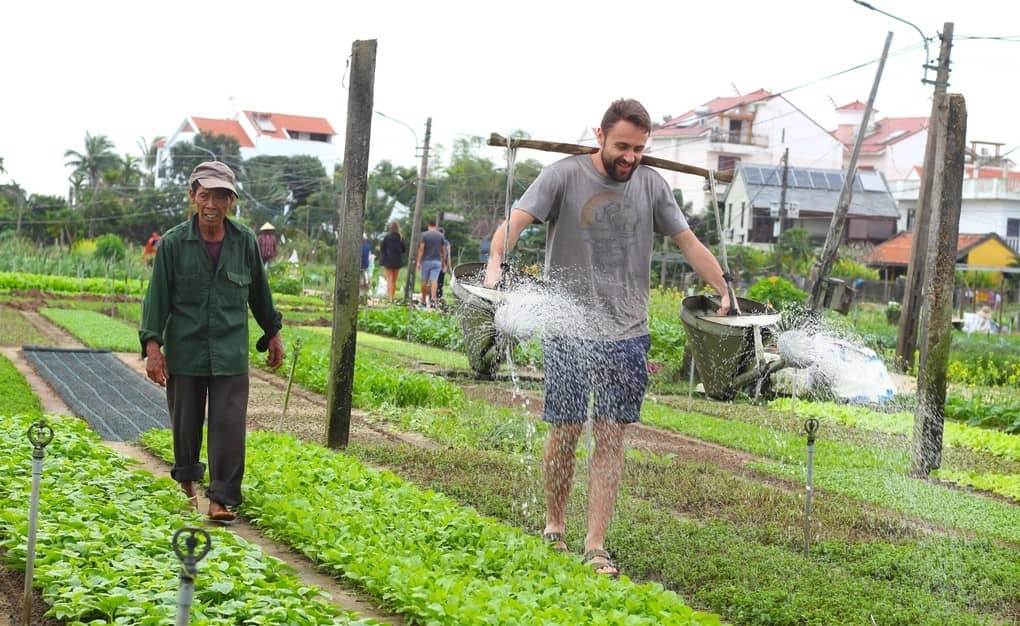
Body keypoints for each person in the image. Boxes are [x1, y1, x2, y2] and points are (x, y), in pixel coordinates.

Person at [483, 98, 730, 577]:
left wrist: (723, 286)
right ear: (599, 136)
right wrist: (495, 263)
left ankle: (595, 543)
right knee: (566, 429)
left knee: (612, 437)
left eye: (639, 148)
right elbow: (513, 224)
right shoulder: (562, 176)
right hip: (569, 327)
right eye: (622, 146)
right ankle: (555, 525)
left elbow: (689, 243)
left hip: (627, 333)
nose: (630, 157)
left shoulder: (653, 186)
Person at [139, 161, 284, 524]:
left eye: (221, 196)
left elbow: (260, 296)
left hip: (230, 351)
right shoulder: (173, 244)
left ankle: (221, 498)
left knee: (229, 425)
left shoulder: (244, 242)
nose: (212, 204)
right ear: (193, 196)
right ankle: (187, 484)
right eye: (205, 195)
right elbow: (156, 299)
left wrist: (273, 333)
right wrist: (153, 348)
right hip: (186, 350)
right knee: (185, 422)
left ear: (231, 201)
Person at [417, 219, 446, 309]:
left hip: (426, 261)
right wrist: (443, 262)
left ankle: (423, 301)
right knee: (434, 281)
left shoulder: (424, 235)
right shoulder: (440, 236)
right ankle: (433, 300)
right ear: (435, 226)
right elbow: (443, 250)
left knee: (424, 281)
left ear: (429, 226)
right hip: (437, 262)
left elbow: (421, 249)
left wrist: (418, 261)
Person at [378, 220, 406, 301]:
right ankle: (392, 297)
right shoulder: (400, 237)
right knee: (394, 280)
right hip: (397, 261)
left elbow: (382, 248)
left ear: (390, 228)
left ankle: (389, 297)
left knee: (389, 279)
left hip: (388, 260)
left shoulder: (387, 237)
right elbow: (404, 249)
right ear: (398, 228)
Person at [435, 226, 452, 302]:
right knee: (437, 281)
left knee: (439, 281)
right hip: (438, 264)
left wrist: (448, 265)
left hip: (441, 264)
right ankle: (437, 296)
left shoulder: (446, 243)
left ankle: (437, 296)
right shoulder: (445, 242)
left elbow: (448, 255)